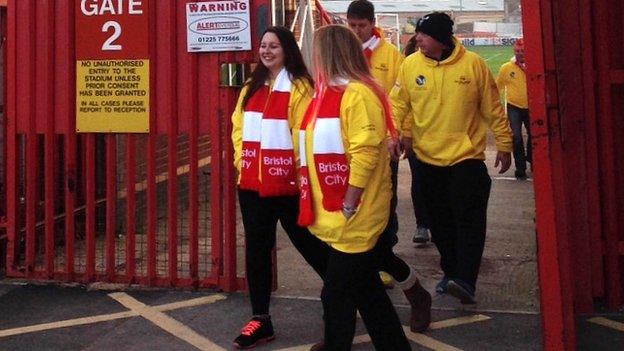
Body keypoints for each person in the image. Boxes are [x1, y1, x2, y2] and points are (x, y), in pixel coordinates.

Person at [297, 24, 413, 350]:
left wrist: (349, 201)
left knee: (335, 296)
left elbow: (365, 151)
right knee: (368, 294)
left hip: (355, 217)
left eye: (316, 51)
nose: (312, 57)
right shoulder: (328, 93)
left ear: (328, 54)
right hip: (343, 218)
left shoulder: (356, 94)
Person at [391, 12, 513, 304]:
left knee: (468, 221)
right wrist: (394, 133)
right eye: (417, 34)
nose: (417, 38)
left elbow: (493, 109)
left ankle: (466, 280)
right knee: (440, 223)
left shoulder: (474, 65)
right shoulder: (409, 65)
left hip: (465, 159)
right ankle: (450, 273)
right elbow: (397, 105)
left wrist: (506, 144)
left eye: (423, 34)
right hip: (426, 160)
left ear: (441, 39)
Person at [230, 26, 329, 349]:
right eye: (263, 45)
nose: (267, 51)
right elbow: (238, 128)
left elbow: (304, 133)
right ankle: (260, 318)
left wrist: (301, 176)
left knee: (310, 244)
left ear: (287, 50)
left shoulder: (302, 87)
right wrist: (241, 163)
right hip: (253, 185)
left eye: (274, 46)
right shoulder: (251, 86)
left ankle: (341, 296)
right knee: (257, 251)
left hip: (288, 184)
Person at [345, 0, 432, 334]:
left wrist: (398, 134)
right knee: (351, 231)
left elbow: (399, 100)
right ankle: (341, 323)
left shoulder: (391, 58)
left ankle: (391, 265)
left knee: (382, 210)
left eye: (361, 26)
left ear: (372, 23)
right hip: (349, 149)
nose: (356, 32)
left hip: (382, 146)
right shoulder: (346, 57)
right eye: (351, 26)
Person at [402, 35, 432, 244]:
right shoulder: (406, 69)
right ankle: (422, 225)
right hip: (414, 137)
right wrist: (405, 134)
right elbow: (401, 106)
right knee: (420, 181)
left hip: (437, 137)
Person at [496, 38, 531, 180]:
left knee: (534, 135)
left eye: (522, 51)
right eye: (517, 51)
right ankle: (520, 168)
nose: (520, 54)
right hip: (514, 107)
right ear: (513, 51)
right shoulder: (507, 68)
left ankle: (532, 158)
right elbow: (497, 86)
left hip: (531, 106)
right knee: (516, 137)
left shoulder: (534, 65)